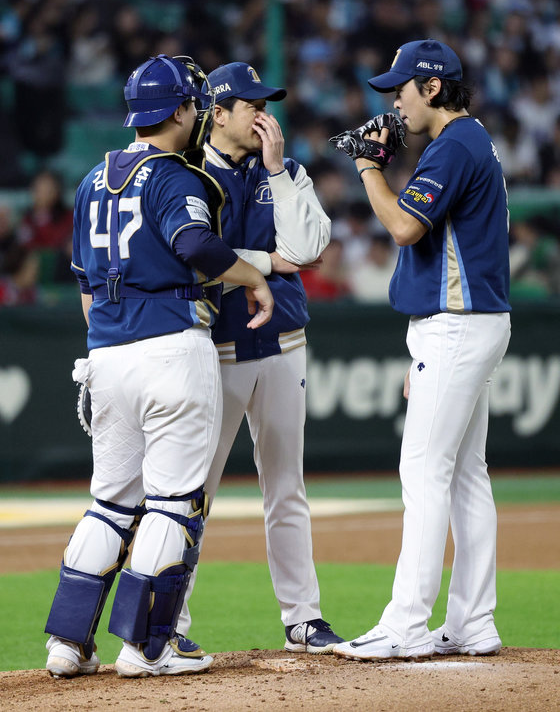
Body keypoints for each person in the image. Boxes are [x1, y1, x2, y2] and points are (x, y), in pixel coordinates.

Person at [44, 54, 273, 679]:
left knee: (110, 503)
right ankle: (149, 647)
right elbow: (195, 245)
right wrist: (253, 275)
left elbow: (85, 283)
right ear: (178, 109)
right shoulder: (175, 175)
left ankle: (68, 645)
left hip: (107, 353)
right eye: (193, 102)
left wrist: (104, 345)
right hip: (171, 345)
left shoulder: (92, 179)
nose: (197, 111)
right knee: (173, 502)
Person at [331, 39, 511, 661]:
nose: (394, 101)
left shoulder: (453, 146)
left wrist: (367, 168)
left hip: (456, 323)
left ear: (432, 88)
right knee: (465, 475)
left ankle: (407, 624)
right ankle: (472, 622)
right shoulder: (467, 140)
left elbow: (404, 226)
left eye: (401, 89)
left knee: (425, 472)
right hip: (468, 322)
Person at [177, 61, 343, 653]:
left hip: (282, 343)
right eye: (250, 105)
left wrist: (276, 173)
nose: (262, 114)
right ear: (217, 114)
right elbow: (194, 256)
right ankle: (170, 623)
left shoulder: (286, 170)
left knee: (286, 486)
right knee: (193, 492)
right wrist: (266, 263)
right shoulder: (187, 176)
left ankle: (303, 617)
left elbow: (311, 248)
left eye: (264, 103)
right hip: (213, 348)